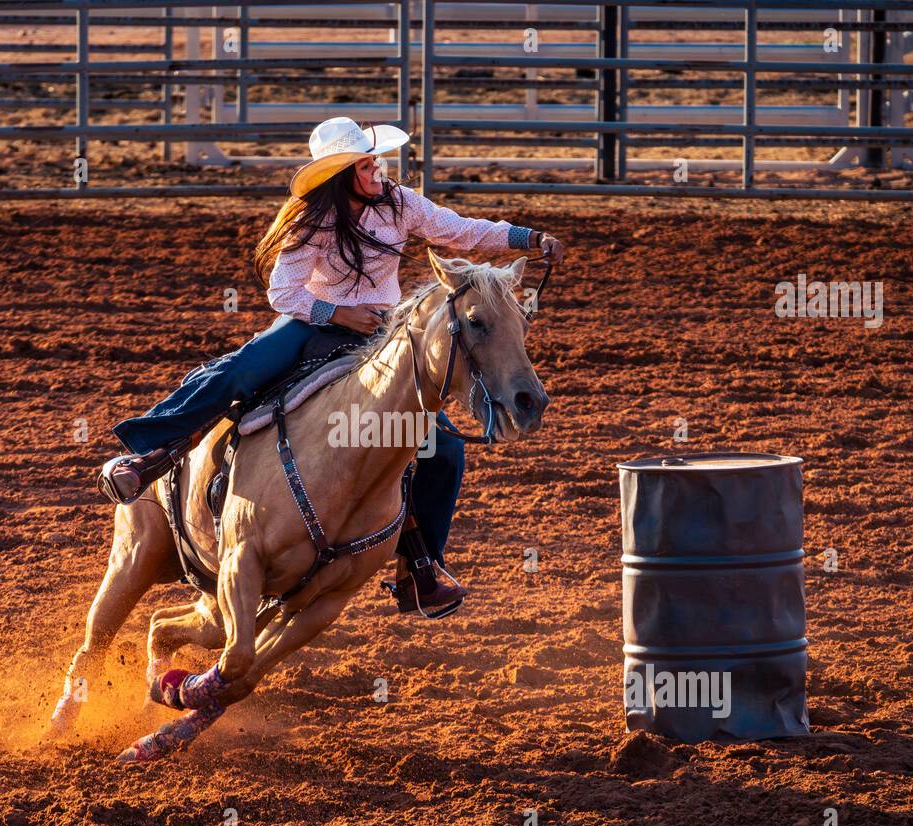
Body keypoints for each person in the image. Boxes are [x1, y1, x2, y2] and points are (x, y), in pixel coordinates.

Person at [98, 116, 564, 615]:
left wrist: (528, 239)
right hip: (310, 328)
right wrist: (337, 311)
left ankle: (420, 567)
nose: (378, 169)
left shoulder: (401, 203)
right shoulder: (313, 221)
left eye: (375, 159)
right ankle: (154, 455)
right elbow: (283, 291)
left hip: (380, 341)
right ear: (342, 175)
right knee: (239, 374)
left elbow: (463, 232)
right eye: (366, 164)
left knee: (443, 447)